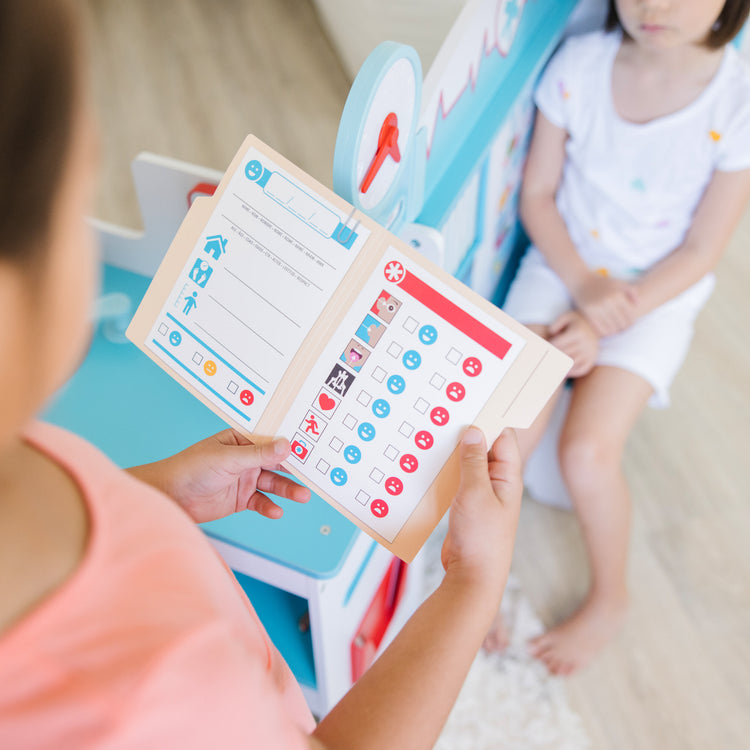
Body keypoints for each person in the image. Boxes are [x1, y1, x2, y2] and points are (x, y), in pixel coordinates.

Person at [0, 2, 523, 748]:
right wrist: (473, 587)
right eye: (76, 198)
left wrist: (147, 496)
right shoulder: (152, 695)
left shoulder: (20, 449)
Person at [486, 0, 750, 675]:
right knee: (502, 436)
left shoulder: (735, 100)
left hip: (657, 295)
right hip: (562, 262)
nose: (653, 5)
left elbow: (699, 252)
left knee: (587, 456)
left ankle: (612, 598)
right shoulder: (580, 65)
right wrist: (582, 289)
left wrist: (606, 316)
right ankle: (479, 581)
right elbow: (537, 196)